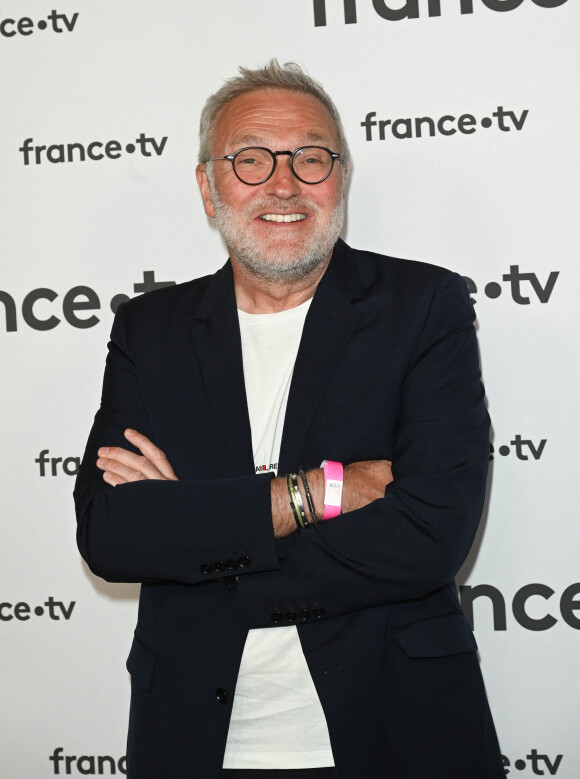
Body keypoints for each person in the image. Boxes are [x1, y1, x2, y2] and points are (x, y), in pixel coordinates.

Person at [74, 60, 505, 778]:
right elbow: (113, 533)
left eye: (311, 157)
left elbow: (430, 535)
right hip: (196, 738)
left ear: (341, 178)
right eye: (250, 159)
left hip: (399, 729)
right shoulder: (151, 330)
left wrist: (196, 539)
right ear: (209, 189)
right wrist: (318, 492)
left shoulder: (422, 306)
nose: (283, 183)